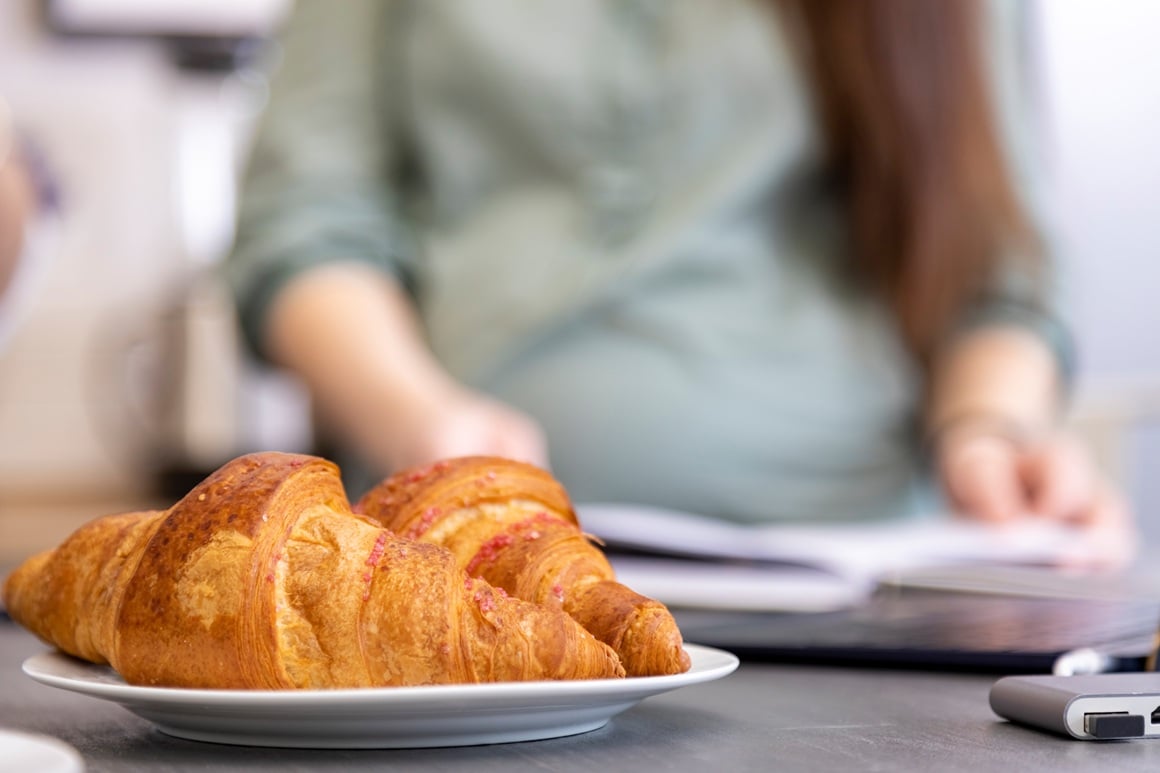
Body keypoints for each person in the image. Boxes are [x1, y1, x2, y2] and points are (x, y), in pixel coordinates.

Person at [224, 0, 1133, 563]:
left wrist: (991, 431)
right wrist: (416, 416)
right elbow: (306, 224)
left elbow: (993, 270)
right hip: (463, 558)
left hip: (863, 574)